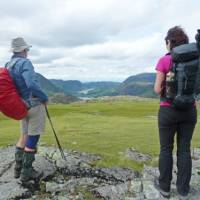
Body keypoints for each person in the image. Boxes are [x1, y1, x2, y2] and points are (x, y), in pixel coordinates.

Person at [154, 26, 197, 199]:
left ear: (169, 42)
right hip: (189, 110)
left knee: (166, 149)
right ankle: (183, 190)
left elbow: (157, 89)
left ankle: (164, 188)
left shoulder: (164, 60)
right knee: (184, 150)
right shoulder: (196, 60)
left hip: (168, 110)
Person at [6, 37, 48, 183]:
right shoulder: (25, 63)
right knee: (33, 137)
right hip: (34, 105)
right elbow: (31, 84)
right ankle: (26, 173)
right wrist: (44, 97)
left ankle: (17, 169)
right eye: (27, 49)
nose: (28, 52)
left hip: (21, 106)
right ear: (23, 50)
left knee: (23, 135)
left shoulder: (8, 64)